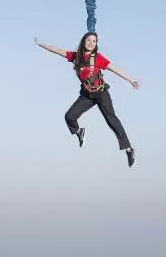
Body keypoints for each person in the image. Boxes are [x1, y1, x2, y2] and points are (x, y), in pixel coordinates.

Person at [34, 32, 139, 167]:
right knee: (69, 116)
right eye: (88, 40)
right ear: (84, 41)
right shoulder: (76, 56)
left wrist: (131, 80)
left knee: (111, 119)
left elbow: (114, 68)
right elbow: (58, 51)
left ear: (96, 44)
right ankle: (79, 131)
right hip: (86, 95)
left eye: (94, 41)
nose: (91, 43)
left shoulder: (98, 58)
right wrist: (41, 44)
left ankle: (129, 149)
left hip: (101, 93)